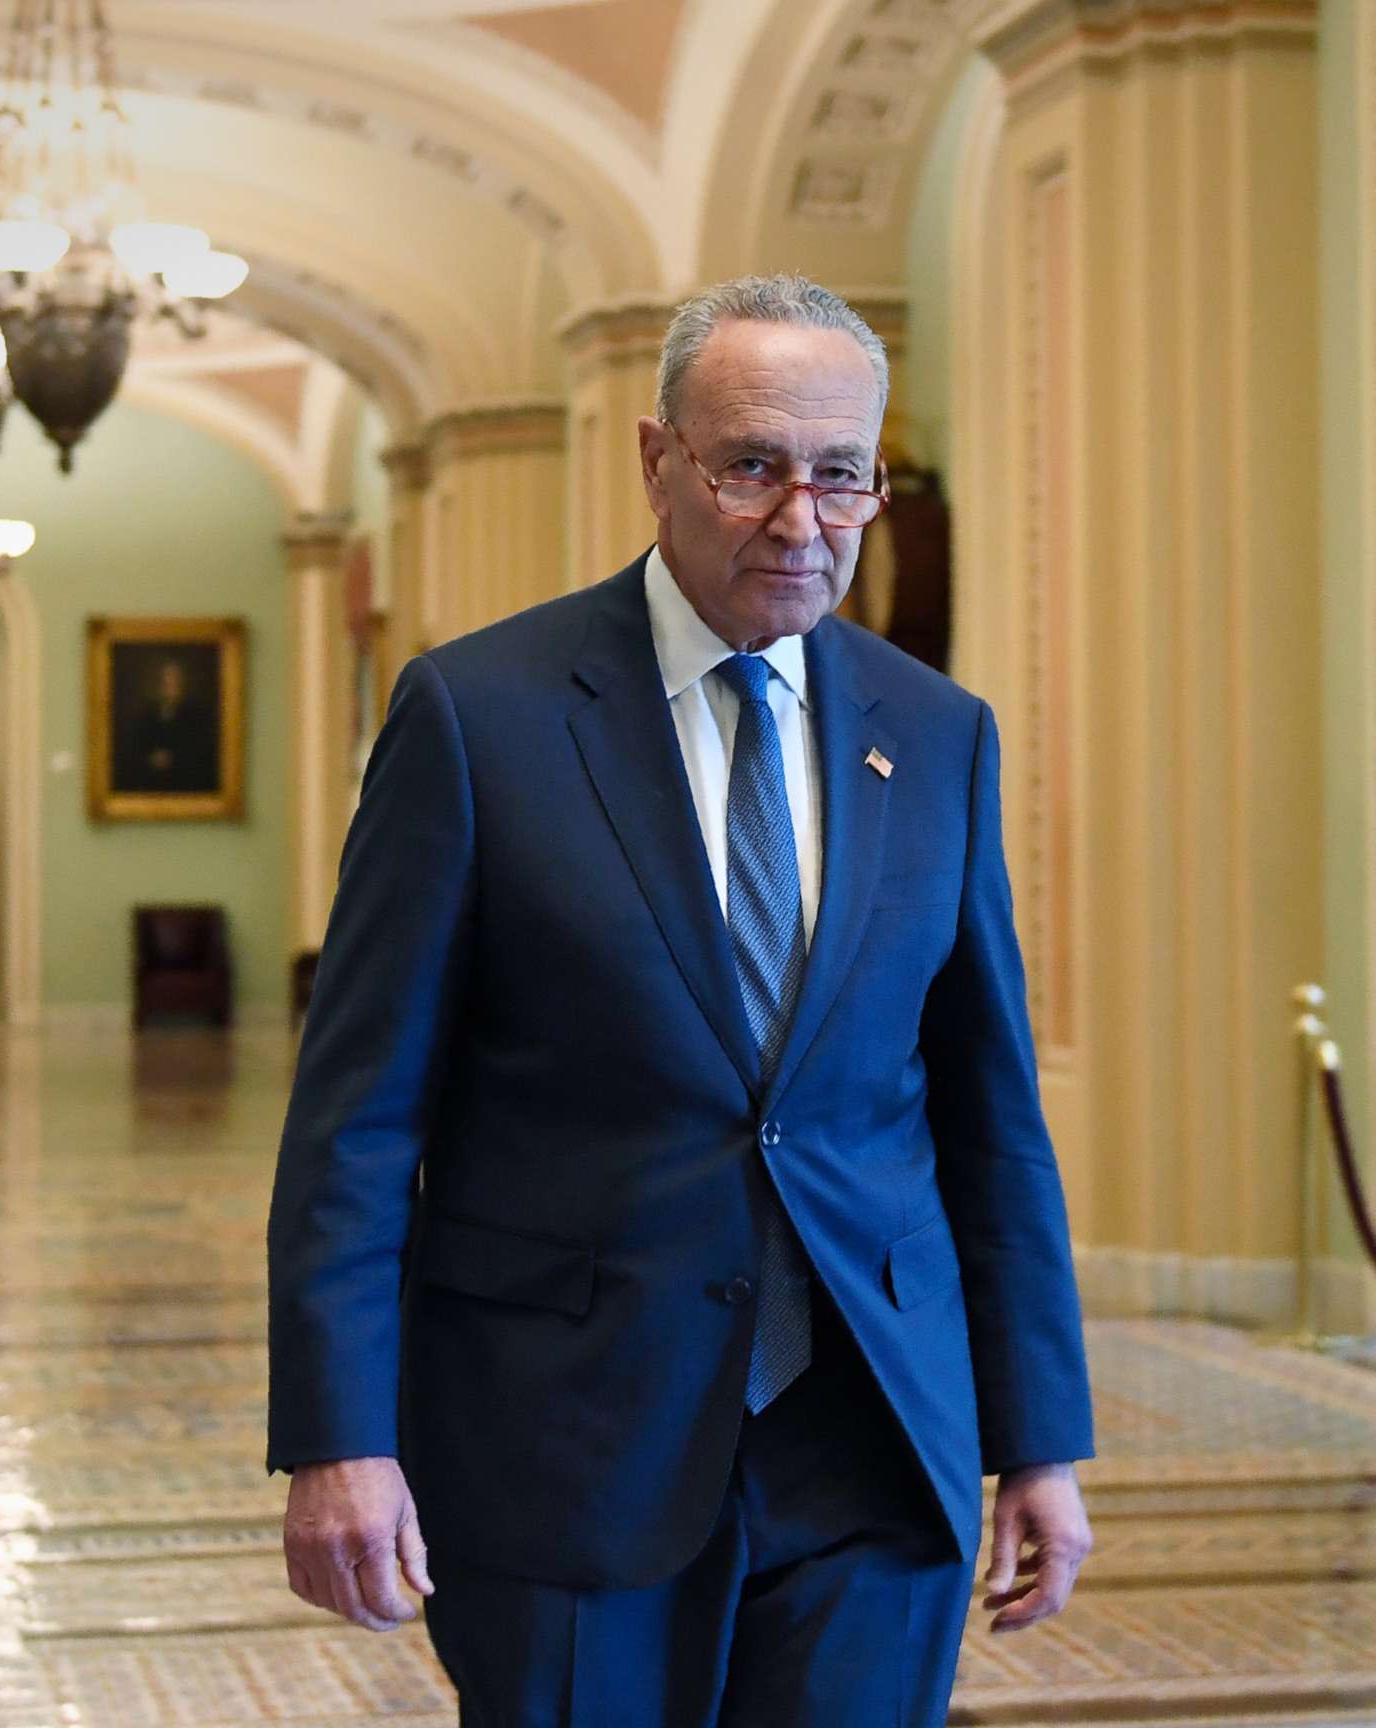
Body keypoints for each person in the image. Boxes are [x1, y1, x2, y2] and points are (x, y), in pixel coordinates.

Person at [266, 273, 1095, 1725]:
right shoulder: (480, 719)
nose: (801, 518)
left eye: (841, 476)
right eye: (753, 467)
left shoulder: (938, 735)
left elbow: (991, 1120)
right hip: (570, 1442)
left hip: (869, 1439)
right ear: (658, 462)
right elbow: (354, 1120)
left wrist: (1040, 1443)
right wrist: (342, 1439)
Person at [117, 656, 216, 793]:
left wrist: (173, 759)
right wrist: (151, 759)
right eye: (167, 682)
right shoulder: (146, 716)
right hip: (151, 786)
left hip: (185, 786)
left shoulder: (195, 715)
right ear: (160, 685)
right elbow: (134, 751)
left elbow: (201, 753)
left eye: (175, 682)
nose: (171, 687)